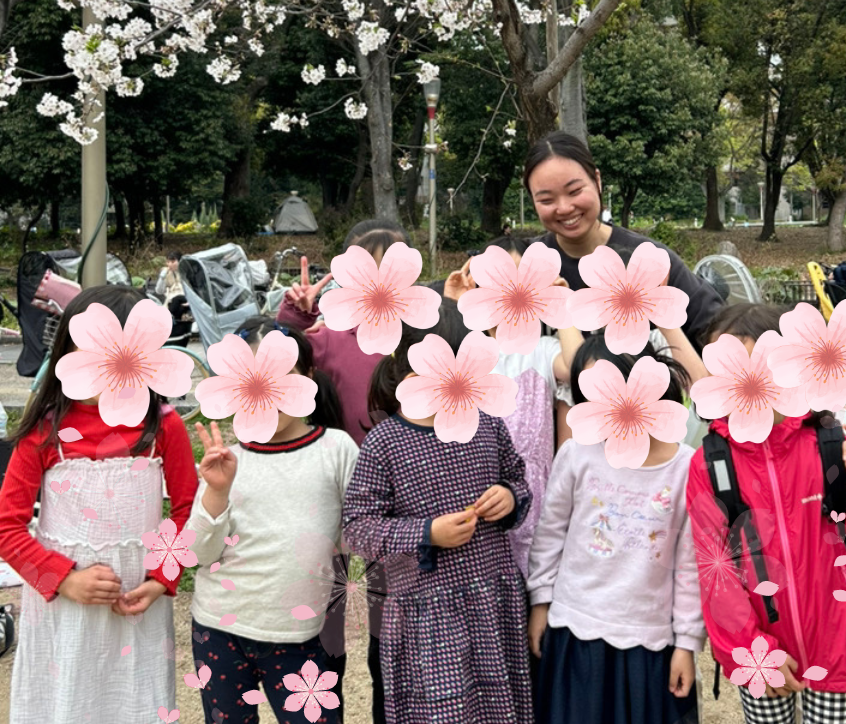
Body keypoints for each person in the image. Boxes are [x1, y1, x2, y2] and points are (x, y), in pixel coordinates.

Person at [688, 304, 846, 724]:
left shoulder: (831, 438)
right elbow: (717, 571)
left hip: (836, 638)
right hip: (761, 644)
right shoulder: (712, 462)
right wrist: (750, 649)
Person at [0, 285, 198, 724]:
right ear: (67, 355)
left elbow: (188, 513)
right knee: (64, 705)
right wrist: (64, 580)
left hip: (138, 608)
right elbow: (6, 529)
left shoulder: (165, 429)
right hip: (62, 611)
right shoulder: (44, 432)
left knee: (136, 705)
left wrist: (162, 578)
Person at [343, 303, 533, 724]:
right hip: (426, 611)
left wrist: (509, 497)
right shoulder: (385, 444)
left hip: (491, 600)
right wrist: (428, 532)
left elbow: (519, 480)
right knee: (441, 712)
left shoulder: (487, 424)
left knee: (497, 708)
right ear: (409, 373)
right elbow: (358, 528)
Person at [186, 316, 357, 724]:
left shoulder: (336, 449)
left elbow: (360, 536)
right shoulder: (227, 459)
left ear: (308, 377)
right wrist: (217, 492)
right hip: (218, 629)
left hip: (302, 636)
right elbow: (198, 554)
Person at [528, 336, 704, 724]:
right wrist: (540, 603)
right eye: (587, 396)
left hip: (651, 643)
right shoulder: (577, 453)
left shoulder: (687, 469)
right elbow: (550, 533)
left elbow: (691, 566)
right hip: (575, 630)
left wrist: (687, 644)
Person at [443, 234, 582, 575]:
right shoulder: (466, 350)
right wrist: (453, 306)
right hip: (471, 500)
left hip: (536, 507)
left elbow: (579, 367)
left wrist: (562, 304)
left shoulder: (543, 350)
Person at [523, 132, 725, 353]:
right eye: (546, 200)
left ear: (597, 181)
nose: (564, 207)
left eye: (575, 191)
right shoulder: (521, 266)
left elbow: (720, 333)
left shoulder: (648, 261)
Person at [279, 221, 408, 446]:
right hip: (351, 470)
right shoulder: (329, 339)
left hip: (421, 469)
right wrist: (296, 317)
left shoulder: (428, 334)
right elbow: (274, 360)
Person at [156, 249, 191, 334]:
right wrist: (162, 277)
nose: (170, 264)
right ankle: (173, 325)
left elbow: (193, 289)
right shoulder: (166, 273)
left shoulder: (186, 272)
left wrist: (191, 301)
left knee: (177, 298)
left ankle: (166, 318)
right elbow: (159, 291)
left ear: (179, 261)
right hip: (173, 303)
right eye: (168, 262)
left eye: (173, 261)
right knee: (176, 304)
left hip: (186, 299)